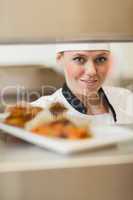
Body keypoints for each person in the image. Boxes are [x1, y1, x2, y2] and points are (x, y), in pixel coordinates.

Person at [31, 42, 133, 124]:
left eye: (101, 59)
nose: (92, 71)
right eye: (79, 59)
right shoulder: (39, 111)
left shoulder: (126, 98)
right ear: (60, 60)